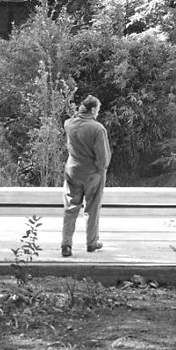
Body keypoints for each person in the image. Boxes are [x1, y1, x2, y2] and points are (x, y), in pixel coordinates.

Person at [61, 95, 112, 257]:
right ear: (92, 109)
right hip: (91, 174)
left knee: (70, 208)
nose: (98, 112)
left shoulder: (68, 124)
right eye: (98, 109)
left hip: (72, 172)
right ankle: (91, 243)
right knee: (92, 209)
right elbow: (103, 158)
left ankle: (66, 244)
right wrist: (101, 170)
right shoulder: (98, 129)